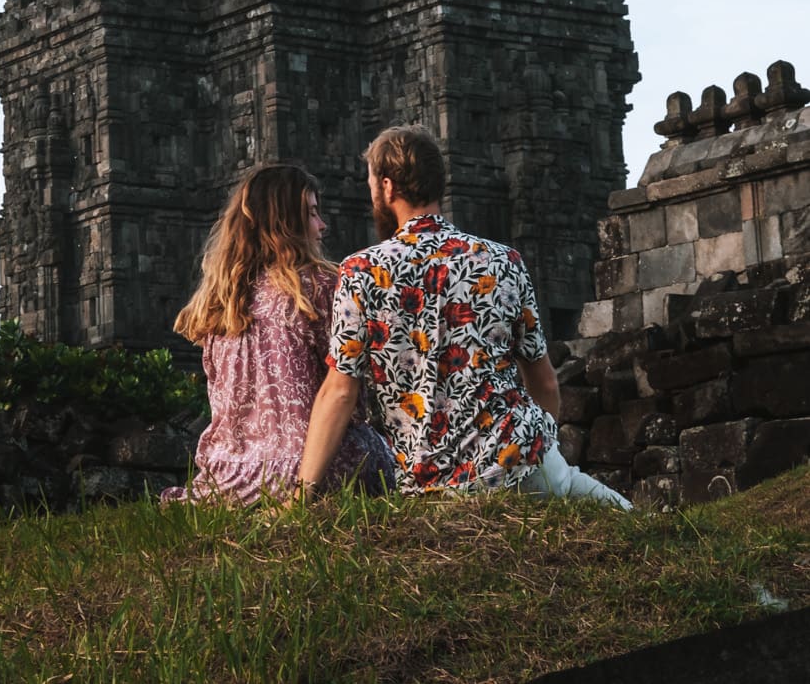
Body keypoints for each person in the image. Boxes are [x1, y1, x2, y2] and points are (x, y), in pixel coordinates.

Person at [293, 125, 632, 509]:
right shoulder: (504, 261)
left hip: (428, 485)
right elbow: (544, 382)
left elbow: (339, 390)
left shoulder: (362, 272)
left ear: (387, 187)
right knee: (621, 514)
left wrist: (302, 495)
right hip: (519, 462)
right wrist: (540, 444)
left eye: (372, 184)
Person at [163, 162, 394, 505]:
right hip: (308, 469)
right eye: (312, 214)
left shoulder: (219, 303)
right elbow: (350, 395)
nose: (322, 225)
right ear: (286, 224)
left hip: (229, 478)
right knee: (379, 450)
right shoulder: (319, 287)